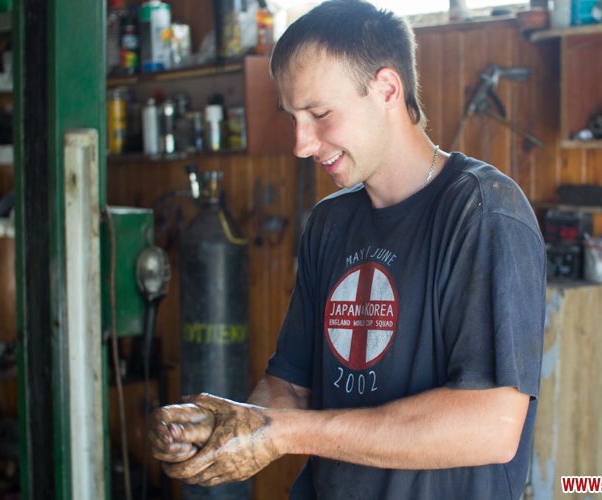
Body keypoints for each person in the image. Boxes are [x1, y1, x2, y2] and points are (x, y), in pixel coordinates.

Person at [149, 1, 546, 498]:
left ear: (387, 90)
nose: (301, 143)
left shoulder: (483, 213)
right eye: (294, 118)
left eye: (319, 114)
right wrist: (229, 427)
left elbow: (490, 425)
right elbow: (291, 387)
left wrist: (281, 434)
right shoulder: (329, 223)